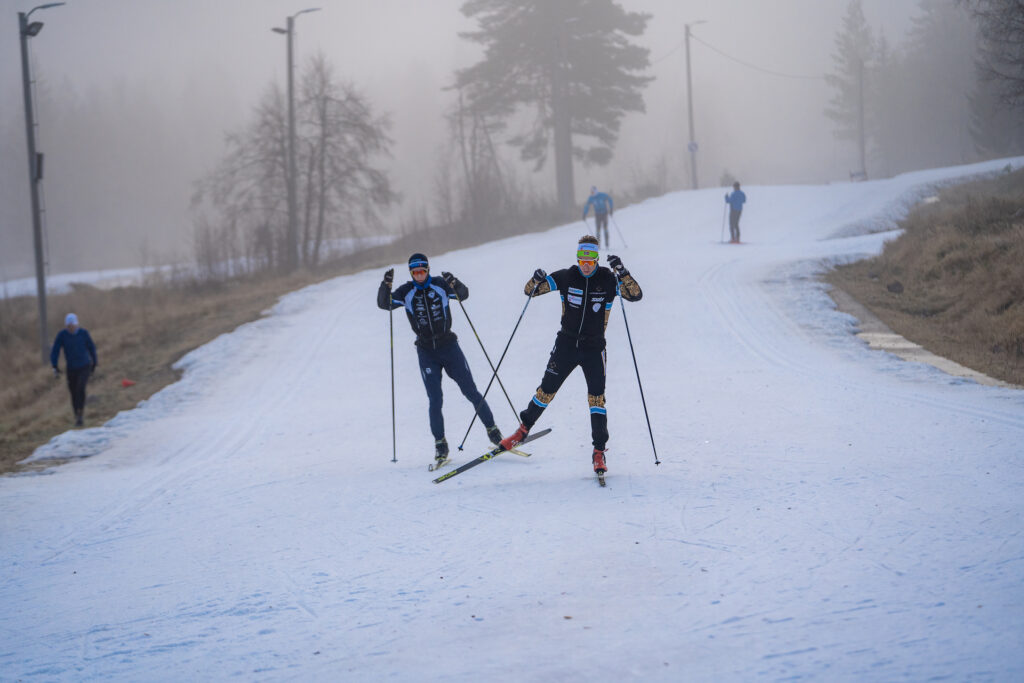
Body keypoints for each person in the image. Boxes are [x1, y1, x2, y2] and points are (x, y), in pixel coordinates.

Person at [499, 236, 642, 476]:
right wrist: (535, 279)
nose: (586, 265)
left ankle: (599, 452)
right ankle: (522, 431)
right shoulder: (567, 276)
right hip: (566, 344)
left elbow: (635, 295)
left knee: (596, 399)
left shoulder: (608, 279)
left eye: (591, 260)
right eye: (582, 259)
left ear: (596, 259)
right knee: (546, 391)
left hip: (594, 348)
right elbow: (530, 291)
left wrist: (622, 271)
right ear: (578, 258)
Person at [377, 253, 502, 466]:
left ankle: (494, 433)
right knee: (435, 400)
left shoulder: (440, 285)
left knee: (470, 391)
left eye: (422, 271)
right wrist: (385, 285)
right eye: (415, 272)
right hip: (427, 352)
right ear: (411, 273)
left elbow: (463, 294)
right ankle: (440, 446)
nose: (419, 275)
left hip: (449, 347)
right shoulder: (406, 291)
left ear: (427, 270)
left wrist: (454, 281)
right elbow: (385, 304)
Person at [50, 312, 98, 427]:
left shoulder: (83, 333)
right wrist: (54, 365)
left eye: (73, 325)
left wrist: (95, 362)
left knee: (80, 388)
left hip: (84, 366)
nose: (71, 327)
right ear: (66, 326)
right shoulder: (62, 335)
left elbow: (91, 347)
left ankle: (80, 414)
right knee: (73, 392)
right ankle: (77, 415)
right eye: (69, 325)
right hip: (71, 368)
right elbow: (55, 350)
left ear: (77, 324)